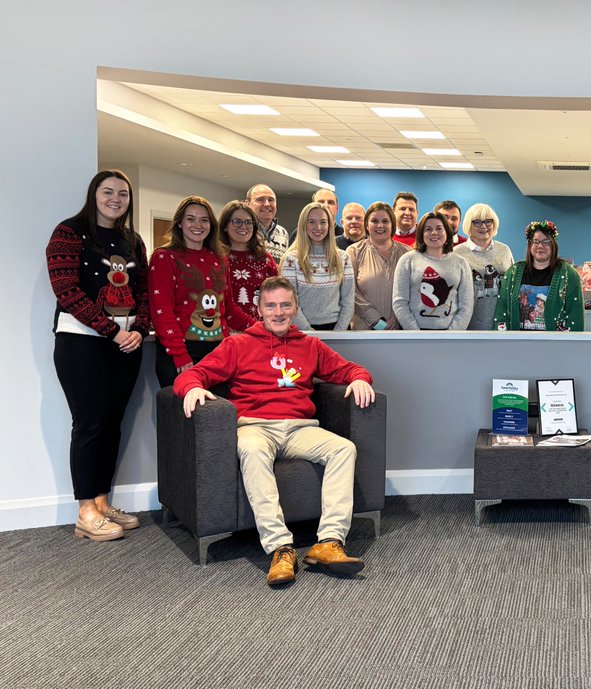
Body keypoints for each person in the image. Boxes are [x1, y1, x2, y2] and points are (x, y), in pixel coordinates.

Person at [173, 276, 376, 586]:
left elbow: (348, 369)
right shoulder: (238, 344)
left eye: (285, 305)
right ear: (260, 310)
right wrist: (190, 388)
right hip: (255, 428)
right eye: (271, 306)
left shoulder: (310, 345)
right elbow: (196, 374)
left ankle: (329, 542)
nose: (278, 312)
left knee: (343, 449)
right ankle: (281, 547)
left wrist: (360, 379)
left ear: (295, 308)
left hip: (299, 429)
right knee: (252, 450)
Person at [47, 170, 150, 541]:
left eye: (122, 194)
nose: (115, 199)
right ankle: (85, 509)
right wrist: (113, 330)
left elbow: (143, 291)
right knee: (89, 423)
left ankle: (104, 502)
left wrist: (139, 330)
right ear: (94, 195)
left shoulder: (132, 241)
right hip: (81, 343)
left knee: (112, 422)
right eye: (108, 192)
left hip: (126, 344)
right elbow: (67, 291)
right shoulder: (69, 232)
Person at [149, 196, 250, 388]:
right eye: (190, 219)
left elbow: (228, 308)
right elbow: (162, 313)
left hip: (219, 352)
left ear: (211, 225)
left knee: (218, 414)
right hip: (181, 352)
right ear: (179, 223)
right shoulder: (164, 258)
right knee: (184, 414)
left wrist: (261, 328)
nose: (198, 225)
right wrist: (180, 355)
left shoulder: (220, 259)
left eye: (204, 220)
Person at [494, 221, 584, 331]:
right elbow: (502, 312)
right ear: (530, 245)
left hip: (554, 345)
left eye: (546, 242)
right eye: (536, 241)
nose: (540, 246)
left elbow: (575, 316)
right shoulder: (513, 272)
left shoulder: (568, 274)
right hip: (518, 344)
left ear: (553, 245)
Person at [278, 203, 355, 330]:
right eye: (311, 222)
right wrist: (309, 331)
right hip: (302, 331)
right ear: (303, 225)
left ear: (329, 225)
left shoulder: (343, 258)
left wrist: (339, 332)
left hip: (338, 329)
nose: (318, 227)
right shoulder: (291, 259)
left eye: (323, 222)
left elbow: (348, 301)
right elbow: (290, 301)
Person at [392, 211, 474, 330]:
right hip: (415, 336)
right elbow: (399, 302)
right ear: (421, 233)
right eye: (428, 229)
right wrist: (415, 333)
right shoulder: (407, 260)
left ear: (447, 232)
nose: (434, 233)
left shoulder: (461, 263)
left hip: (451, 338)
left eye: (439, 228)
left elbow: (466, 305)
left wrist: (452, 334)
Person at [346, 202, 408, 330]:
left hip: (400, 329)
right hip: (365, 329)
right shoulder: (354, 251)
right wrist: (378, 323)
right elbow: (351, 291)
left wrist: (399, 321)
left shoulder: (407, 253)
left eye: (385, 221)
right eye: (374, 221)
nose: (380, 225)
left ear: (393, 225)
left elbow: (412, 293)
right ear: (367, 226)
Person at [453, 203, 515, 330]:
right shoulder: (456, 253)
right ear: (469, 225)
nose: (484, 226)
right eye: (477, 222)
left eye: (488, 222)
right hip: (468, 325)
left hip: (501, 323)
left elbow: (513, 286)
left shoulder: (504, 250)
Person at [219, 200, 278, 329]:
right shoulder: (217, 259)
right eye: (237, 221)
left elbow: (278, 295)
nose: (243, 226)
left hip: (262, 332)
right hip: (226, 333)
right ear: (224, 226)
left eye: (248, 222)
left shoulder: (265, 258)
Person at [247, 184, 290, 263]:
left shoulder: (283, 233)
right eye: (260, 199)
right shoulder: (243, 231)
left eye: (271, 200)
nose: (267, 204)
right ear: (247, 203)